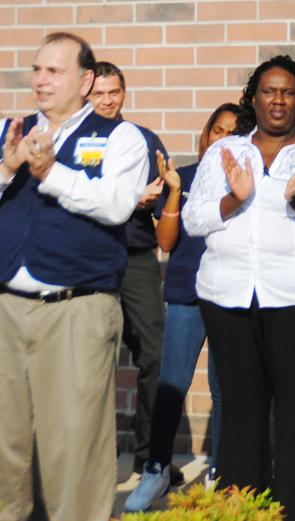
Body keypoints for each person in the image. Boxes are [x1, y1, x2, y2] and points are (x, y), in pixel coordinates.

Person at [182, 55, 295, 520]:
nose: (278, 100)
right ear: (252, 98)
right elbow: (193, 220)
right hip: (229, 298)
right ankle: (242, 512)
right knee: (240, 413)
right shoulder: (224, 154)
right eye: (268, 91)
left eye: (288, 92)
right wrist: (234, 198)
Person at [0, 32, 149, 520]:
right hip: (7, 308)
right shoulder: (10, 131)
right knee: (6, 442)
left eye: (54, 71)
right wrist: (7, 169)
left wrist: (51, 174)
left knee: (73, 441)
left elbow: (116, 205)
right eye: (37, 69)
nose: (41, 80)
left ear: (86, 81)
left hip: (76, 308)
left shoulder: (120, 137)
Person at [124, 103, 238, 512]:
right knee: (172, 384)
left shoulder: (247, 181)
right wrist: (173, 191)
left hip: (230, 296)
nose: (222, 137)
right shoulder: (183, 177)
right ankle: (156, 470)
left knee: (226, 391)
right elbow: (167, 242)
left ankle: (221, 475)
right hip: (186, 295)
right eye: (217, 129)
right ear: (206, 134)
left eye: (232, 131)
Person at [90, 61, 179, 484]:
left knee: (156, 355)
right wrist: (127, 198)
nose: (107, 101)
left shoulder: (143, 141)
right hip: (87, 262)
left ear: (123, 92)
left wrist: (153, 200)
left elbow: (165, 209)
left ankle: (149, 458)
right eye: (98, 93)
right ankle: (93, 465)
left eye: (114, 92)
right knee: (90, 363)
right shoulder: (76, 138)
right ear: (86, 93)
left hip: (136, 259)